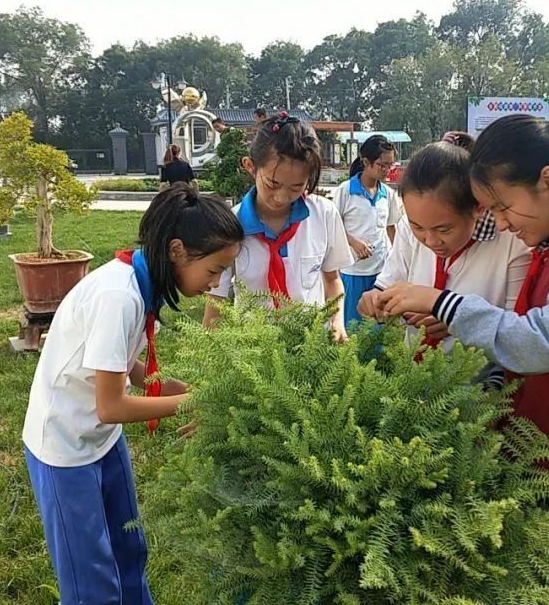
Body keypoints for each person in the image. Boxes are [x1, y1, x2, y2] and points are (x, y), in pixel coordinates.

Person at [374, 114, 549, 605]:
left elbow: (542, 343)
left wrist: (443, 303)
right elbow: (514, 361)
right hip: (531, 463)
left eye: (503, 207)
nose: (500, 224)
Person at [22, 183, 243, 604]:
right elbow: (110, 405)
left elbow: (129, 369)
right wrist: (193, 402)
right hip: (65, 449)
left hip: (102, 443)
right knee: (91, 578)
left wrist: (204, 391)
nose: (216, 282)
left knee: (128, 549)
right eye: (214, 270)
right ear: (178, 250)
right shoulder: (118, 297)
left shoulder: (145, 283)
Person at [358, 133, 529, 364]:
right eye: (417, 226)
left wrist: (458, 318)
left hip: (479, 387)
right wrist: (374, 300)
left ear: (477, 209)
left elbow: (519, 336)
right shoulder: (408, 232)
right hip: (412, 378)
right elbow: (387, 283)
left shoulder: (512, 243)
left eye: (444, 230)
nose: (430, 241)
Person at [203, 111, 355, 340]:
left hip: (311, 346)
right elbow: (216, 302)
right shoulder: (229, 227)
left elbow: (332, 280)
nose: (281, 197)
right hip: (254, 352)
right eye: (272, 184)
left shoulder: (323, 215)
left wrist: (336, 321)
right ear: (250, 166)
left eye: (296, 187)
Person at [334, 134, 402, 325]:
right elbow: (333, 226)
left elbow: (391, 228)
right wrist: (354, 242)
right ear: (366, 162)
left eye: (391, 165)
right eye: (383, 165)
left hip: (380, 272)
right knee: (353, 325)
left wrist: (398, 259)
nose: (387, 170)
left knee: (377, 325)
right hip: (353, 270)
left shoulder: (387, 194)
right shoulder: (345, 190)